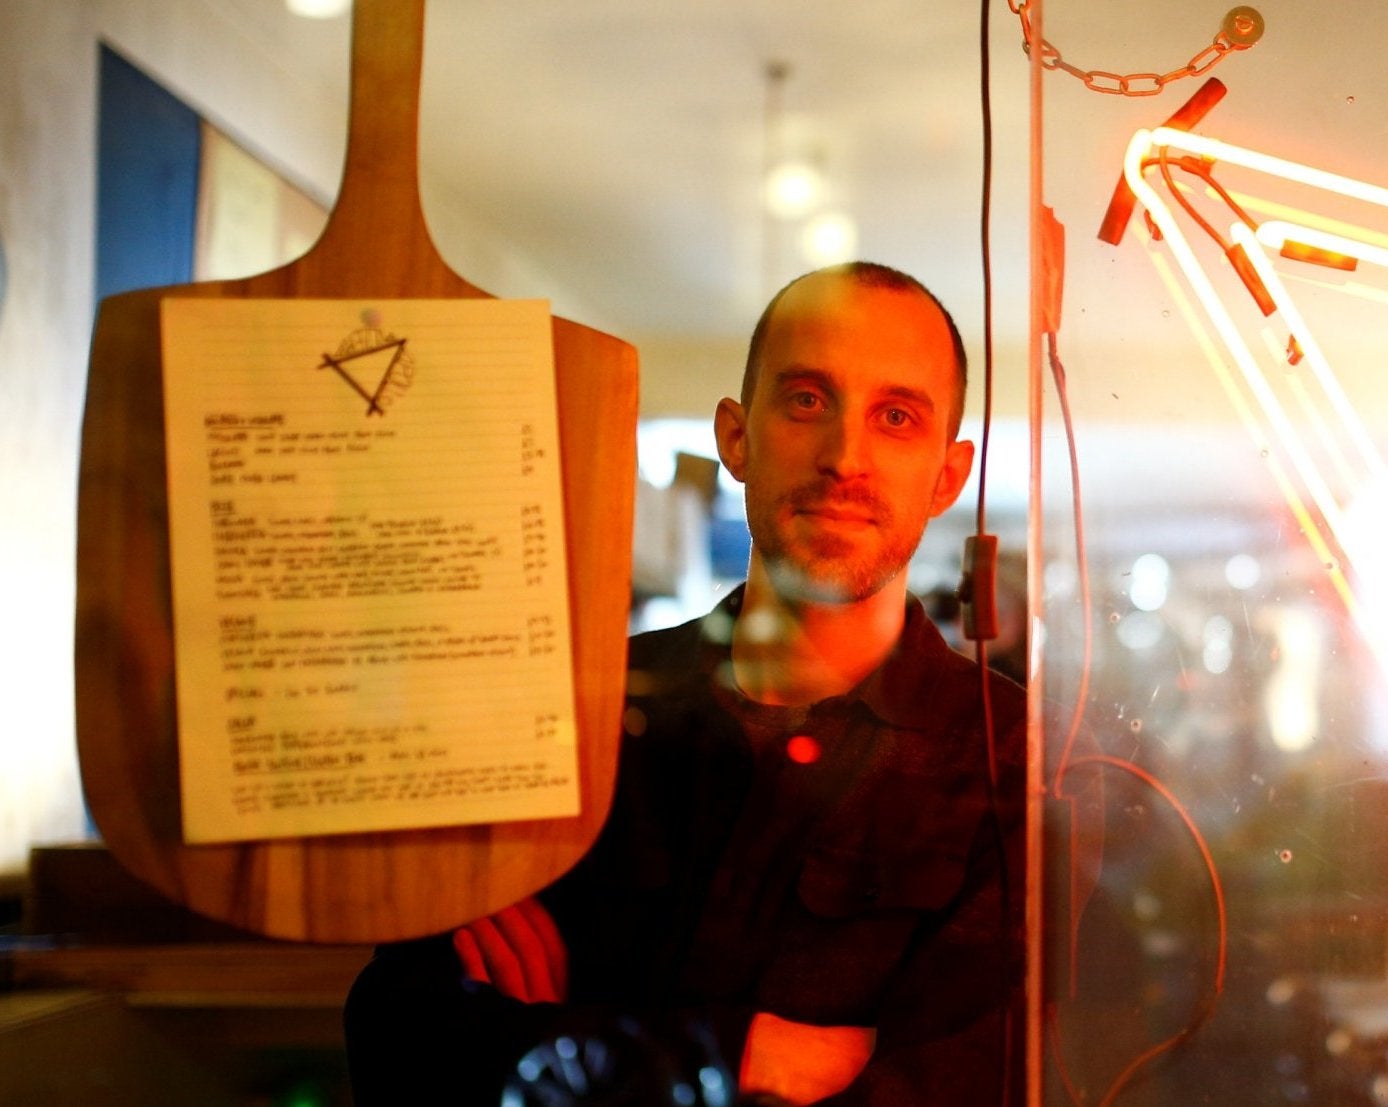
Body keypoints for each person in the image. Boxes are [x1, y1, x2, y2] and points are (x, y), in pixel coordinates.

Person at [343, 261, 1027, 1106]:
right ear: (736, 438)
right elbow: (399, 1040)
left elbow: (971, 1090)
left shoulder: (1010, 762)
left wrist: (575, 1040)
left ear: (947, 477)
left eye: (895, 417)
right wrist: (744, 1053)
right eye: (808, 400)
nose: (845, 455)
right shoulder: (586, 707)